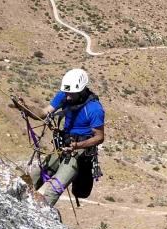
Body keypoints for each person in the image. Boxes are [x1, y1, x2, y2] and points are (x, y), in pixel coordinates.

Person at [12, 68, 105, 207]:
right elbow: (43, 113)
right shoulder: (65, 94)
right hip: (64, 145)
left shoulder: (94, 109)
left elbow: (99, 137)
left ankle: (39, 214)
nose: (67, 97)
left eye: (71, 94)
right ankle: (13, 199)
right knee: (35, 175)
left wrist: (78, 146)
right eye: (66, 93)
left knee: (53, 189)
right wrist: (26, 108)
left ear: (81, 90)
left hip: (79, 152)